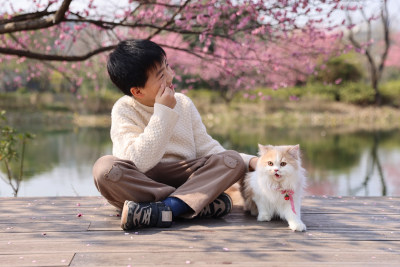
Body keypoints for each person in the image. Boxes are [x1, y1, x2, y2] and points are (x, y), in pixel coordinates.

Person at [92, 39, 258, 230]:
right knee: (104, 169)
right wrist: (162, 112)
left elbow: (209, 149)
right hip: (144, 180)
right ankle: (193, 203)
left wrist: (250, 161)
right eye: (161, 75)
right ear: (137, 91)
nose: (171, 77)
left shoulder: (184, 103)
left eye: (168, 67)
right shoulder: (124, 109)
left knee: (232, 160)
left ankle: (164, 209)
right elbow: (138, 162)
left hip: (186, 176)